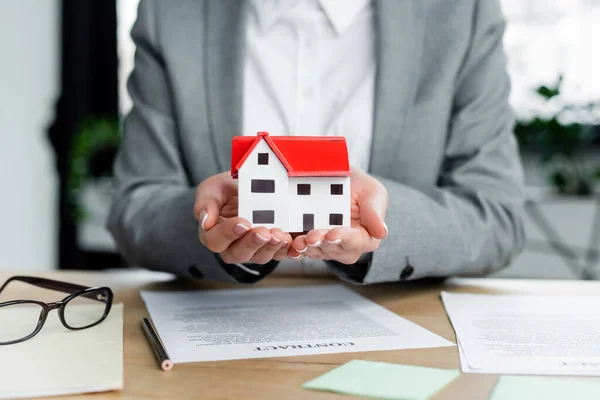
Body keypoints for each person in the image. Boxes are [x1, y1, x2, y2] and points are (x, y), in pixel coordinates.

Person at [107, 0, 525, 284]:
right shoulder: (172, 12)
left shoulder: (460, 12)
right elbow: (135, 208)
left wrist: (373, 224)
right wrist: (217, 225)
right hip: (217, 330)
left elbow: (496, 215)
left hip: (399, 324)